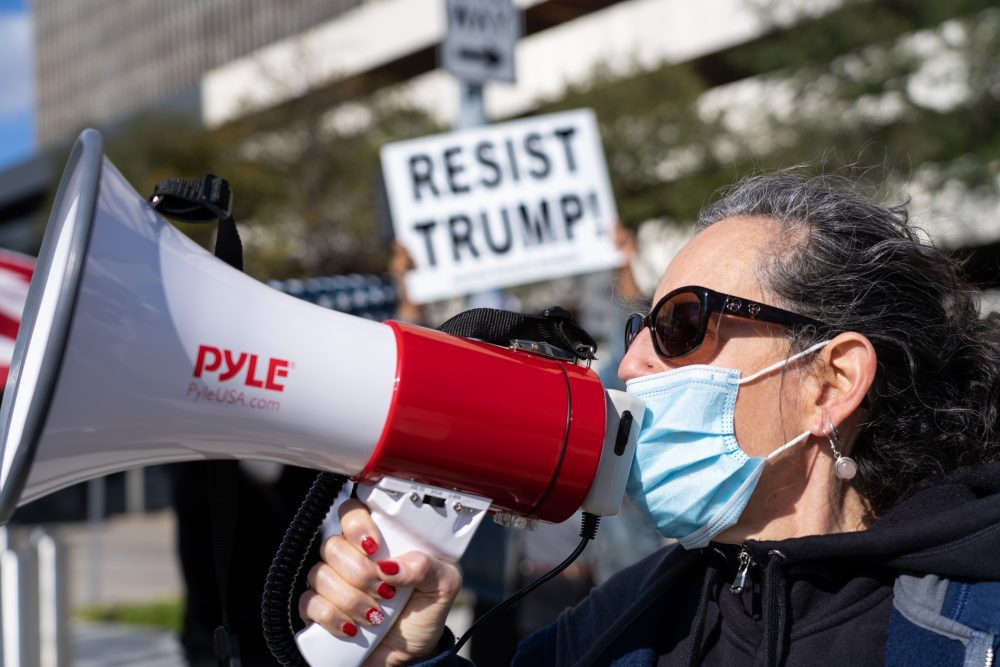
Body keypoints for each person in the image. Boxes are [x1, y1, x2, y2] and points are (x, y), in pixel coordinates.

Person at [297, 170, 1000, 665]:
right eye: (639, 325)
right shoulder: (628, 614)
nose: (631, 362)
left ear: (832, 381)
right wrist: (409, 653)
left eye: (680, 323)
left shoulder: (979, 619)